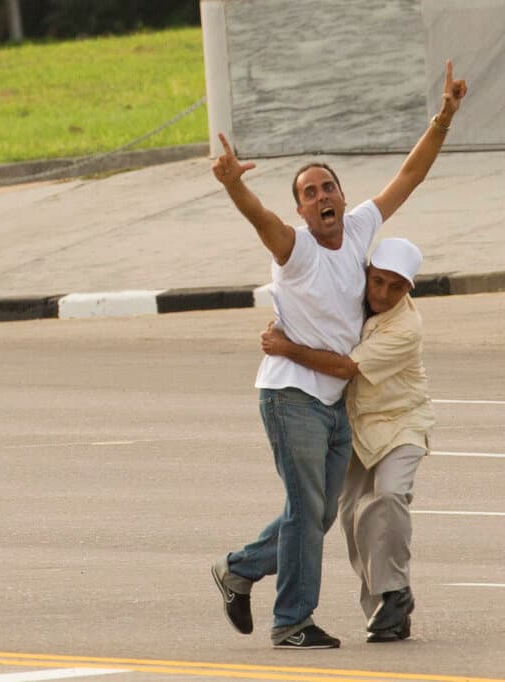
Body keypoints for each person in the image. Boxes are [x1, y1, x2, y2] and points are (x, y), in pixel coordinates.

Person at [209, 61, 466, 649]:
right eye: (309, 193)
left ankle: (238, 569)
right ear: (301, 211)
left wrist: (444, 118)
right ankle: (291, 621)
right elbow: (261, 220)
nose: (321, 196)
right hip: (290, 394)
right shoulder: (295, 248)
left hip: (333, 402)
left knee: (318, 515)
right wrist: (233, 185)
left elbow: (410, 175)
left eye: (328, 187)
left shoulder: (358, 229)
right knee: (306, 511)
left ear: (343, 197)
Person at [260, 238, 434, 644]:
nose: (383, 294)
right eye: (378, 281)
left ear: (409, 289)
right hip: (353, 428)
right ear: (367, 274)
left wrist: (285, 347)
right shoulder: (352, 297)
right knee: (353, 516)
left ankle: (394, 593)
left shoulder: (405, 328)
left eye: (396, 287)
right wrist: (283, 325)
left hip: (400, 423)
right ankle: (385, 611)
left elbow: (345, 367)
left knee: (388, 496)